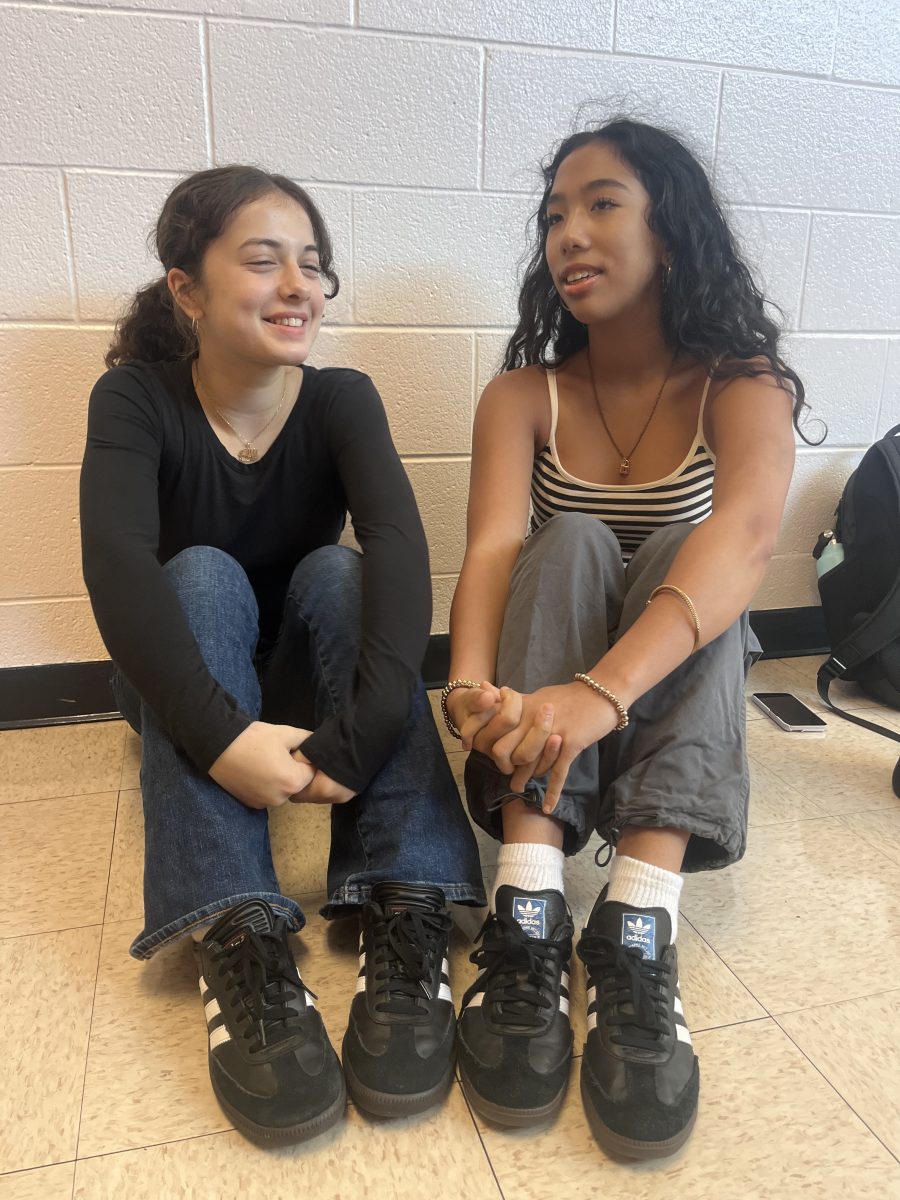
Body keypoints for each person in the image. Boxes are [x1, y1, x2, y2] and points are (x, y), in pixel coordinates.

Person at [79, 166, 485, 1146]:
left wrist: (361, 738)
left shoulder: (343, 400)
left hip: (300, 691)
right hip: (182, 686)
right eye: (264, 261)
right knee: (203, 571)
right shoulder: (134, 398)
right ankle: (241, 928)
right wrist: (222, 742)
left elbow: (398, 554)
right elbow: (116, 569)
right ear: (188, 288)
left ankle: (408, 899)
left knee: (342, 575)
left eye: (313, 263)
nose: (298, 283)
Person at [443, 119, 805, 1159]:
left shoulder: (745, 385)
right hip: (547, 669)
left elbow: (741, 544)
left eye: (602, 203)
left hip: (647, 683)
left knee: (695, 572)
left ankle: (639, 922)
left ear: (674, 234)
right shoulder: (522, 395)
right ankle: (530, 901)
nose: (568, 232)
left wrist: (598, 694)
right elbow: (494, 553)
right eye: (554, 214)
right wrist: (471, 687)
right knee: (571, 542)